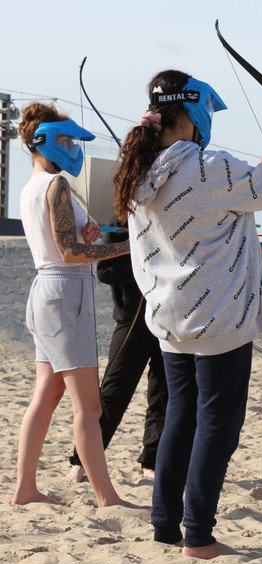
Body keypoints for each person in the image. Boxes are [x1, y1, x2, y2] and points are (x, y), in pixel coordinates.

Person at [113, 69, 262, 559]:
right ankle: (198, 535)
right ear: (192, 114)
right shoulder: (208, 166)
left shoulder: (140, 168)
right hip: (216, 318)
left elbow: (213, 199)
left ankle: (165, 526)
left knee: (180, 416)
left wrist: (260, 172)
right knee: (217, 424)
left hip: (170, 315)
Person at [13, 102, 138, 508]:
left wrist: (90, 235)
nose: (71, 147)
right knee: (89, 406)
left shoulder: (31, 186)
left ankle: (25, 489)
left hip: (46, 291)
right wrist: (129, 247)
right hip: (67, 293)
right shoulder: (57, 185)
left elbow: (63, 244)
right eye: (66, 140)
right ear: (45, 141)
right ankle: (107, 497)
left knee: (46, 396)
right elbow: (70, 253)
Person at [65, 224, 168, 482]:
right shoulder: (119, 223)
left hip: (169, 317)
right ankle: (81, 461)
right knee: (114, 392)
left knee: (163, 393)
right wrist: (150, 264)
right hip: (132, 322)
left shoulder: (169, 216)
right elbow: (106, 271)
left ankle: (152, 461)